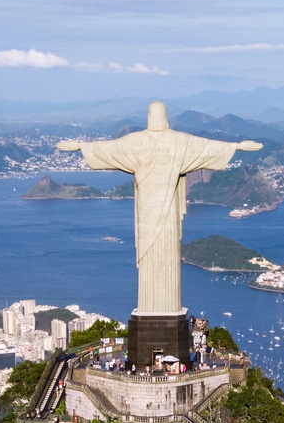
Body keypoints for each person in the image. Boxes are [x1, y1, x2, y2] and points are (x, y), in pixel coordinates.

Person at [57, 102, 262, 314]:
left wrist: (81, 145)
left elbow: (107, 148)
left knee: (157, 253)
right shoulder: (178, 141)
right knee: (164, 253)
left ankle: (157, 306)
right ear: (165, 117)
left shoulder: (136, 142)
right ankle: (163, 306)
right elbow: (207, 146)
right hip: (165, 211)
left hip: (147, 209)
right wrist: (236, 146)